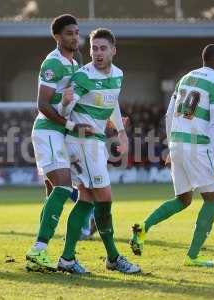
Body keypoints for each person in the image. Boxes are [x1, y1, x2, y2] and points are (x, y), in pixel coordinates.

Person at [130, 44, 214, 267]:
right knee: (213, 200)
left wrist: (169, 147)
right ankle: (193, 256)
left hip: (177, 144)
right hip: (198, 147)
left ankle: (143, 227)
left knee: (183, 199)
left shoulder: (184, 79)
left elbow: (168, 115)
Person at [56, 28, 141, 274]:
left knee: (86, 198)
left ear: (113, 50)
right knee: (104, 197)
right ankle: (113, 257)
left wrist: (121, 133)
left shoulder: (118, 75)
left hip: (96, 142)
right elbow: (64, 113)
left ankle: (67, 259)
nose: (98, 53)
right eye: (94, 48)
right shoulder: (83, 77)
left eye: (103, 48)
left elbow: (112, 102)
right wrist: (63, 102)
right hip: (81, 142)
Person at [26, 14, 94, 272]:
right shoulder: (52, 63)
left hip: (61, 133)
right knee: (64, 187)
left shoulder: (75, 63)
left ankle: (42, 251)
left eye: (77, 32)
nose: (75, 37)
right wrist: (69, 126)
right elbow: (42, 104)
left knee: (54, 191)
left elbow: (74, 103)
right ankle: (38, 250)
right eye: (69, 33)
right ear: (57, 36)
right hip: (49, 131)